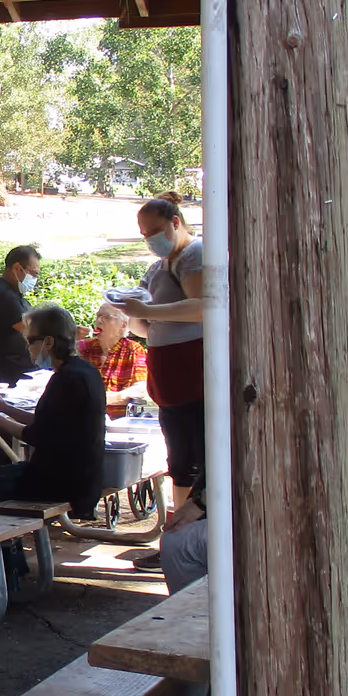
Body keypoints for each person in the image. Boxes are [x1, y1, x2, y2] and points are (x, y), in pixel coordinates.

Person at [0, 304, 105, 584]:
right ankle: (7, 564)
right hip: (78, 474)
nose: (28, 349)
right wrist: (2, 406)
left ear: (48, 342)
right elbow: (47, 421)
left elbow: (37, 436)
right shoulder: (83, 371)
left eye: (30, 342)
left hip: (62, 480)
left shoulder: (67, 379)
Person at [123, 193, 205, 508]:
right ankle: (174, 540)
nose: (150, 241)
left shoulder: (193, 255)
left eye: (154, 232)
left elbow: (200, 307)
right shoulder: (160, 266)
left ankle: (189, 541)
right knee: (180, 467)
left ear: (175, 222)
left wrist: (150, 311)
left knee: (195, 466)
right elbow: (143, 326)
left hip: (191, 382)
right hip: (168, 387)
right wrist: (133, 311)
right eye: (144, 235)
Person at [0, 244, 41, 385]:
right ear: (17, 268)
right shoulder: (1, 295)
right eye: (33, 273)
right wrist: (65, 331)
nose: (35, 279)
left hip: (20, 372)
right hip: (8, 376)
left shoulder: (16, 295)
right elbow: (30, 329)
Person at [78, 302, 149, 419]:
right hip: (81, 418)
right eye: (98, 316)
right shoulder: (82, 347)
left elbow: (140, 389)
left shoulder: (133, 350)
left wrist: (106, 398)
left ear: (123, 325)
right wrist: (70, 338)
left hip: (117, 421)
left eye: (106, 317)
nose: (99, 321)